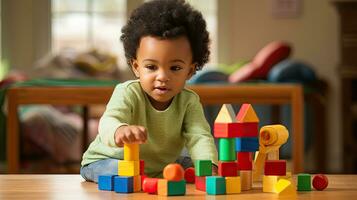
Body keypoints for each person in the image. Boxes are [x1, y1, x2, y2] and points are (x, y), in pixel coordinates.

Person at [80, 0, 218, 182]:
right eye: (151, 67)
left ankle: (154, 178)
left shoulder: (189, 101)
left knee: (192, 163)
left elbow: (199, 136)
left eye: (175, 68)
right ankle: (143, 178)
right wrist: (120, 130)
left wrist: (209, 166)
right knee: (121, 170)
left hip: (158, 165)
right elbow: (109, 120)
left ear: (190, 71)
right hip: (108, 160)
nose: (162, 76)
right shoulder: (127, 92)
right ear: (136, 67)